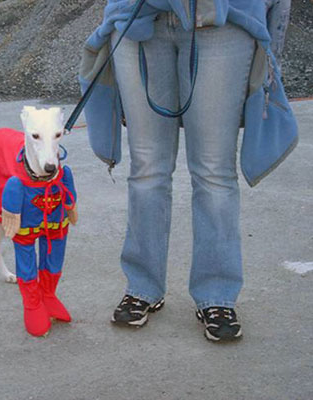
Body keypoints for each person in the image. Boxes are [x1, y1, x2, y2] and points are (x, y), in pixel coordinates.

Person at [84, 0, 292, 342]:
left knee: (214, 170)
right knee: (147, 167)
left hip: (223, 21)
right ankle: (142, 286)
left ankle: (217, 295)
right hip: (137, 16)